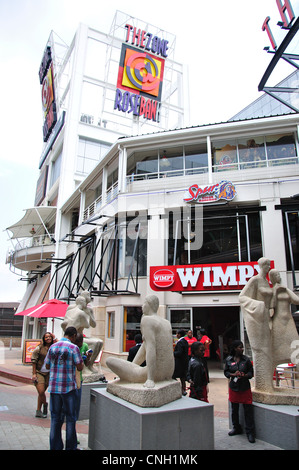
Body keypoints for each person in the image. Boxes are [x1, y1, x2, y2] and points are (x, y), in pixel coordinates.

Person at [106, 295, 174, 389]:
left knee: (109, 360)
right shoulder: (166, 323)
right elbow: (147, 347)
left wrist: (150, 379)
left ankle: (148, 376)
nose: (142, 306)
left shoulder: (147, 320)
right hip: (167, 373)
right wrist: (132, 365)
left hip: (153, 374)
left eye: (144, 303)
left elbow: (151, 347)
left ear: (149, 305)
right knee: (131, 367)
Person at [44, 326, 83, 450]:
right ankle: (70, 447)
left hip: (54, 388)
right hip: (68, 388)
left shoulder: (53, 347)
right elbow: (80, 367)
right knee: (70, 419)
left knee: (55, 419)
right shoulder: (73, 347)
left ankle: (55, 447)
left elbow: (47, 365)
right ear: (73, 336)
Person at [239, 257, 274, 392]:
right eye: (267, 265)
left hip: (267, 317)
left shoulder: (267, 281)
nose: (269, 268)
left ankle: (267, 384)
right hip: (259, 316)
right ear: (261, 266)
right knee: (261, 349)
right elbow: (242, 297)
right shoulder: (255, 280)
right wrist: (258, 306)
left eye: (269, 265)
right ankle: (262, 384)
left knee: (269, 349)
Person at [224, 340, 255, 443]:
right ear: (234, 348)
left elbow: (251, 373)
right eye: (239, 347)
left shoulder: (246, 360)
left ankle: (250, 432)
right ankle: (236, 427)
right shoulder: (228, 359)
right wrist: (233, 374)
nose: (242, 349)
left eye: (242, 347)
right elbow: (226, 372)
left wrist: (244, 375)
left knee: (248, 410)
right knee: (234, 409)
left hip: (244, 388)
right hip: (234, 387)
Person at [31, 332, 54, 418]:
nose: (48, 338)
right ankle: (45, 404)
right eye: (46, 337)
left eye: (49, 337)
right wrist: (34, 374)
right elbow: (34, 361)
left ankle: (38, 410)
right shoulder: (39, 348)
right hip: (39, 372)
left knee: (42, 393)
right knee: (40, 391)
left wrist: (55, 338)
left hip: (49, 373)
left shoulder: (54, 347)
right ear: (43, 339)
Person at [74, 333, 92, 420]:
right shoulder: (71, 347)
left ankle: (75, 417)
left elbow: (87, 364)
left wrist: (88, 357)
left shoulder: (84, 346)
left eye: (80, 341)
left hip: (79, 377)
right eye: (77, 342)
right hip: (69, 377)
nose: (79, 344)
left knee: (77, 400)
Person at [172, 329, 189, 395]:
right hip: (184, 362)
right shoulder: (185, 341)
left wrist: (173, 353)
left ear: (179, 334)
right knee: (182, 378)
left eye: (177, 334)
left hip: (179, 363)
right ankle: (183, 389)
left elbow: (179, 352)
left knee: (174, 376)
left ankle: (180, 389)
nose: (176, 335)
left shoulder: (180, 342)